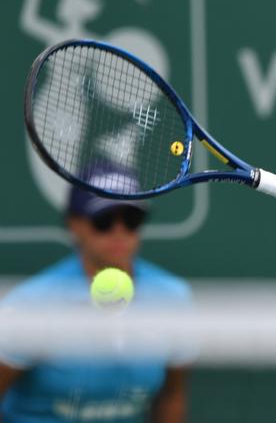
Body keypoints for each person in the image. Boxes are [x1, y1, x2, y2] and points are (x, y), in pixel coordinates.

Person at [0, 170, 192, 423]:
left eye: (132, 219)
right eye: (104, 220)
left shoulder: (173, 298)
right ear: (74, 223)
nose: (119, 230)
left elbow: (172, 396)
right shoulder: (30, 305)